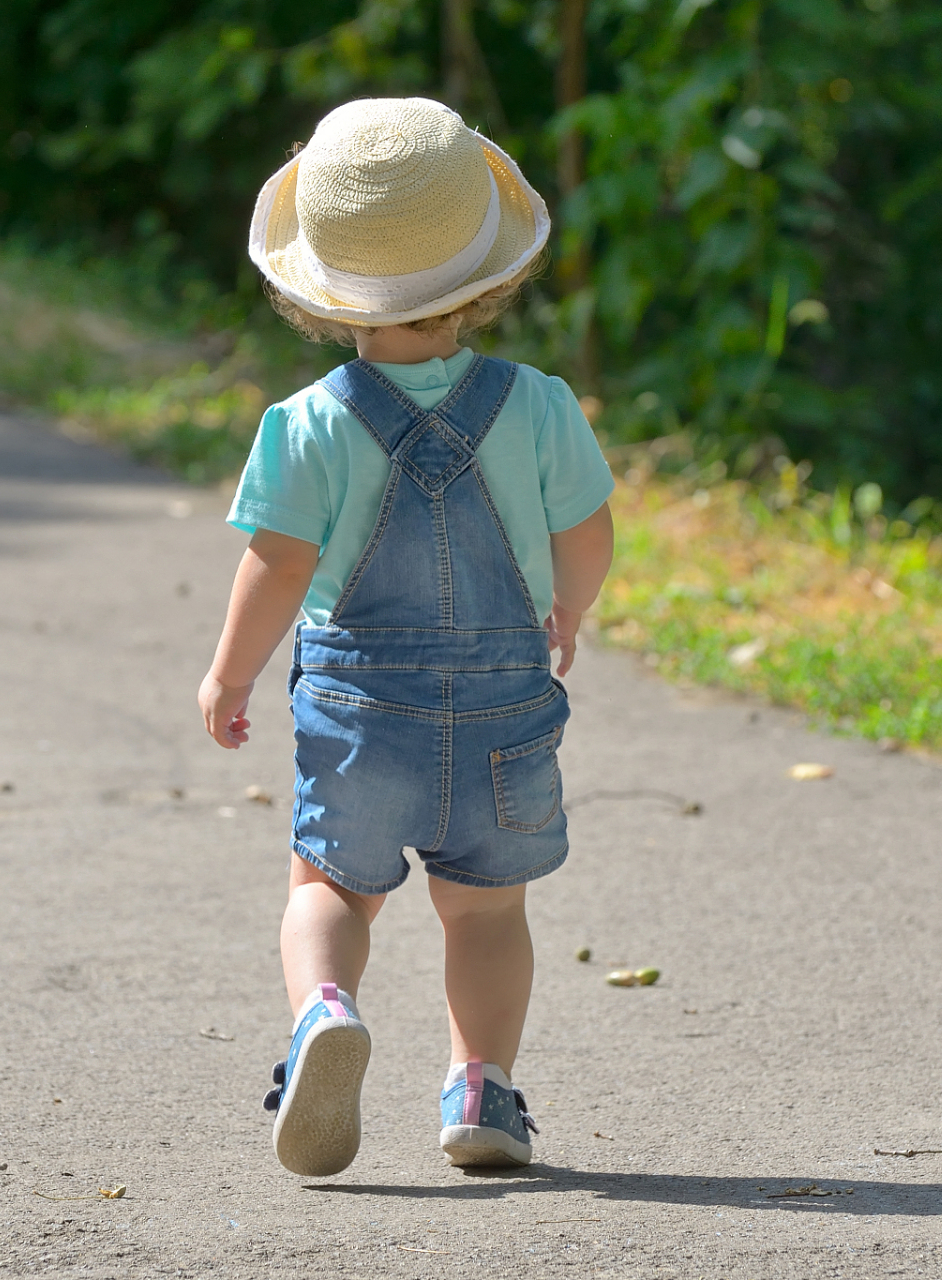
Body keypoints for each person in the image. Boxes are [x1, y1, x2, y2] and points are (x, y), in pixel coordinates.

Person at [197, 97, 615, 1177]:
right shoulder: (540, 404)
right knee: (485, 913)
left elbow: (278, 565)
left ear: (325, 284)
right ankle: (482, 1088)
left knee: (325, 888)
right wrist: (568, 608)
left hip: (360, 710)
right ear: (489, 269)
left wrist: (230, 670)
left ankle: (324, 1011)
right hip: (502, 706)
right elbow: (588, 531)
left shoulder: (304, 423)